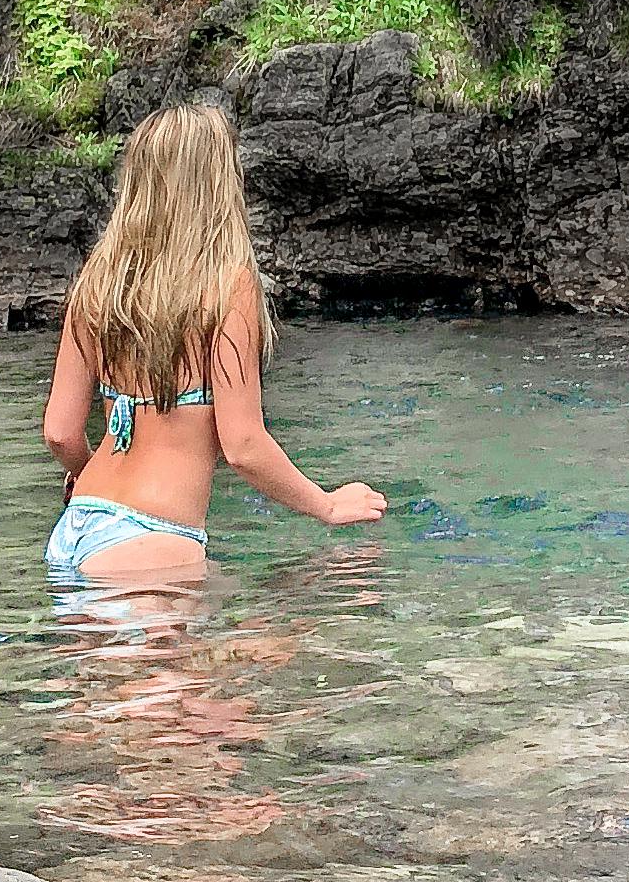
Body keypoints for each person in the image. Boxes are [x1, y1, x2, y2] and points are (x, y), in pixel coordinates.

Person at [42, 100, 386, 583]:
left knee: (241, 630)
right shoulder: (227, 287)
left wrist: (86, 475)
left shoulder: (97, 285)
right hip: (152, 540)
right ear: (217, 182)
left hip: (76, 530)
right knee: (283, 634)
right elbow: (243, 444)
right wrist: (327, 506)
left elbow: (60, 431)